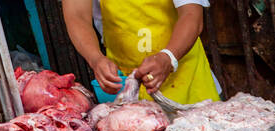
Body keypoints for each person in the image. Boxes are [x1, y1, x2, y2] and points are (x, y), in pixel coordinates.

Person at [62, 0, 220, 103]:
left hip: (186, 83)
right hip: (126, 88)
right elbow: (77, 15)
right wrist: (95, 59)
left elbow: (191, 15)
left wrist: (169, 57)